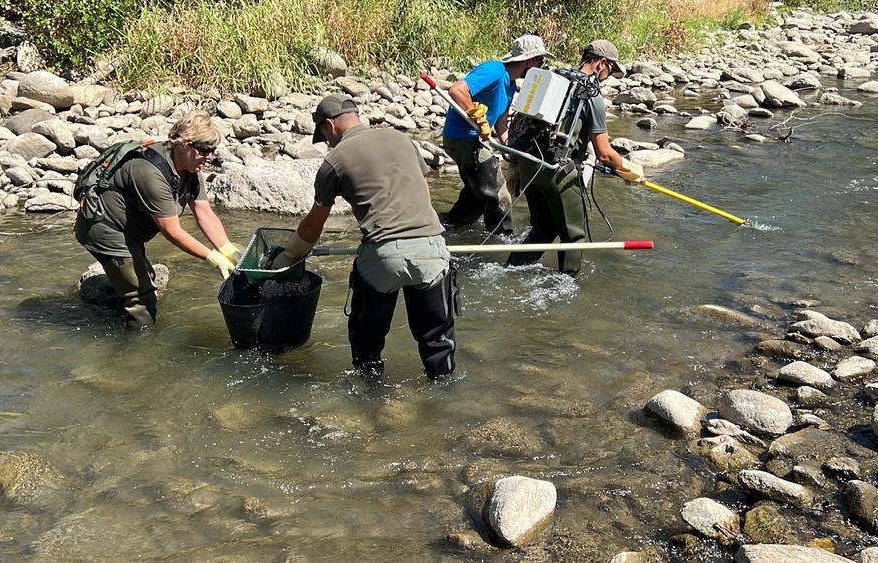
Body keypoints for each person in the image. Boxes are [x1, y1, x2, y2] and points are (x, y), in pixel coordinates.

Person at [271, 94, 458, 379]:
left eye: (324, 136)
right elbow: (424, 195)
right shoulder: (401, 139)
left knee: (367, 343)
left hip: (383, 257)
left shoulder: (334, 161)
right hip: (431, 250)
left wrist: (289, 256)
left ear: (329, 126)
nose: (328, 143)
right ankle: (446, 399)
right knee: (438, 342)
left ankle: (371, 405)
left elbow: (313, 228)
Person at [75, 111, 242, 329]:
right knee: (143, 300)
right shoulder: (150, 172)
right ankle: (136, 350)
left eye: (213, 150)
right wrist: (213, 258)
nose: (210, 156)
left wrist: (227, 249)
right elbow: (171, 230)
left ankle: (113, 309)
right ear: (183, 145)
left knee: (144, 280)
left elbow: (204, 212)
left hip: (130, 228)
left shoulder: (190, 167)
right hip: (105, 228)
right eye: (204, 150)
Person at [505, 40, 645, 275]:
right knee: (574, 234)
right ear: (601, 63)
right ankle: (567, 285)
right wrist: (630, 171)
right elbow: (604, 154)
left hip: (527, 163)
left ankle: (511, 270)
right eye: (610, 69)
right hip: (556, 170)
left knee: (544, 228)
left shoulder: (554, 80)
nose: (608, 77)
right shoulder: (590, 96)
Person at [439, 34, 554, 235]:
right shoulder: (494, 70)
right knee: (500, 195)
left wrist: (513, 150)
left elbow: (502, 125)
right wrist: (476, 117)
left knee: (477, 195)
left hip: (475, 139)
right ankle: (503, 241)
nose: (541, 65)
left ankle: (448, 228)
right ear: (529, 60)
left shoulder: (510, 84)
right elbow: (457, 91)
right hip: (463, 137)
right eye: (539, 60)